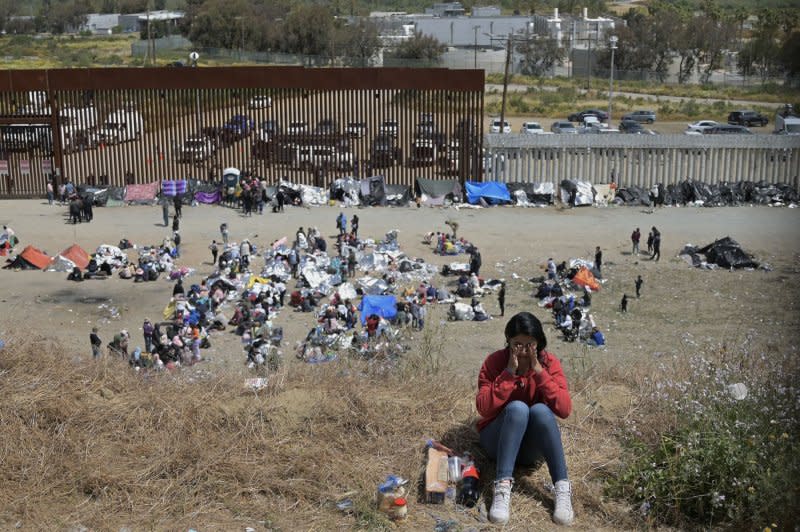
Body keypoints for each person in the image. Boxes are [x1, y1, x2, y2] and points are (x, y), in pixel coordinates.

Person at [476, 312, 574, 526]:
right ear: (508, 342)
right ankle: (502, 486)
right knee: (518, 409)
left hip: (530, 449)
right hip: (497, 441)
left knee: (540, 411)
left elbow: (565, 409)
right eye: (517, 344)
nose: (523, 351)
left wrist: (539, 372)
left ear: (538, 344)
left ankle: (562, 488)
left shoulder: (548, 363)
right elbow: (483, 408)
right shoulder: (495, 362)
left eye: (529, 345)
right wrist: (508, 374)